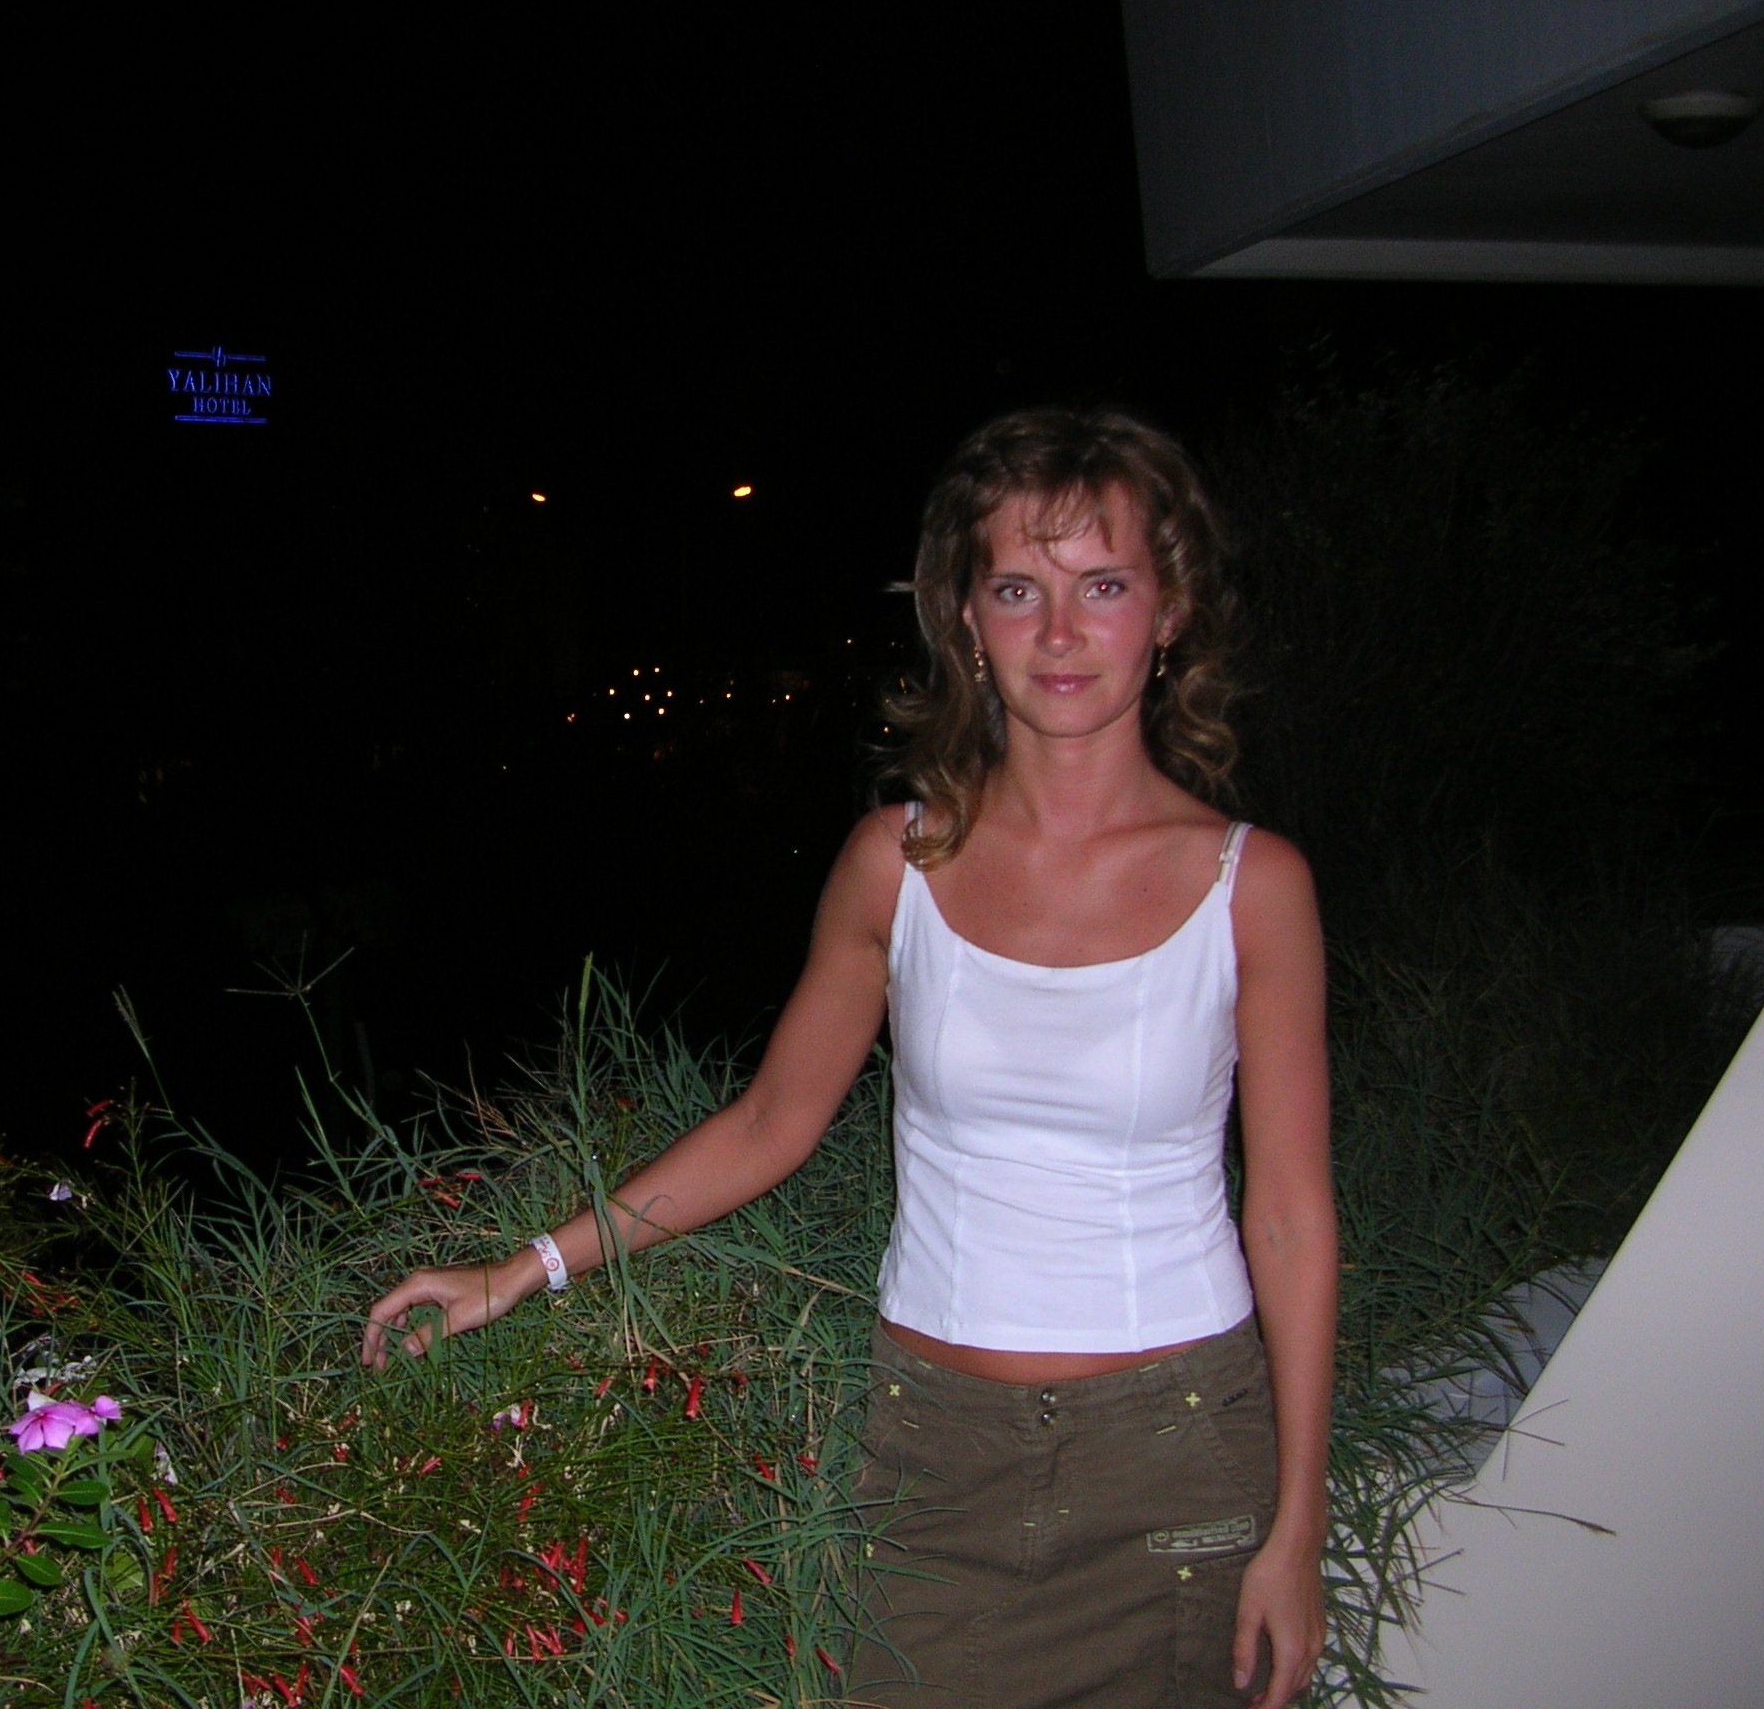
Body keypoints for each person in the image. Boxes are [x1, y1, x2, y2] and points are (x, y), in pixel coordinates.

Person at [362, 407, 1336, 1708]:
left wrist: (1297, 1525)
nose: (1060, 632)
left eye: (1104, 586)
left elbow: (1290, 1218)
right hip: (937, 1450)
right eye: (1018, 589)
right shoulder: (898, 863)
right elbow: (771, 1122)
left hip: (1179, 1457)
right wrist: (518, 1270)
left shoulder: (1251, 887)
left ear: (1170, 613)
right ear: (966, 622)